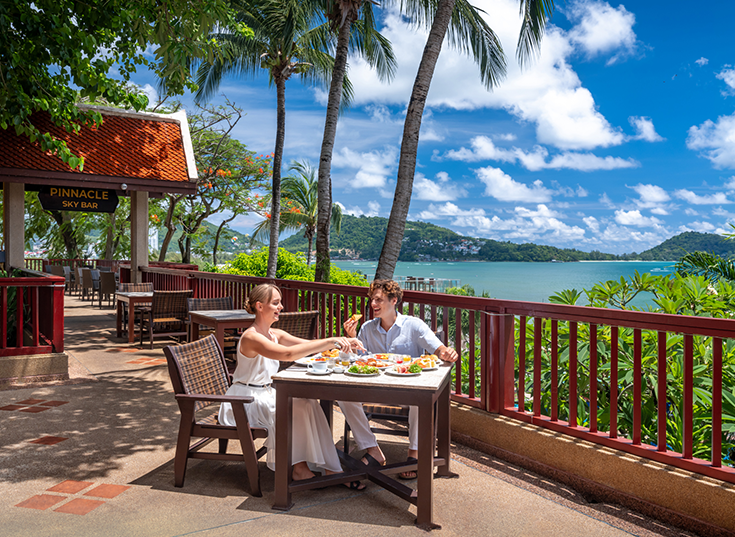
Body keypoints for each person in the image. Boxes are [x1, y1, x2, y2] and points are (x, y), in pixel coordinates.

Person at [219, 283, 366, 488]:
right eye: (276, 303)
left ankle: (326, 467)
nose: (281, 307)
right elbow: (288, 354)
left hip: (265, 393)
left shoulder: (275, 334)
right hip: (244, 400)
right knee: (296, 406)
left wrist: (344, 340)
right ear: (260, 306)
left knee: (307, 402)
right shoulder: (251, 337)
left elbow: (306, 345)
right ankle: (302, 468)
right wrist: (332, 341)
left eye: (280, 303)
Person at [342, 279, 459, 479]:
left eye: (379, 300)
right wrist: (351, 341)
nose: (373, 304)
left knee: (421, 398)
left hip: (406, 389)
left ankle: (414, 455)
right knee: (344, 396)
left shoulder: (413, 325)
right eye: (372, 300)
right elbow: (356, 362)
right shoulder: (367, 328)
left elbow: (438, 348)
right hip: (375, 389)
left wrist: (447, 352)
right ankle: (372, 449)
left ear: (394, 300)